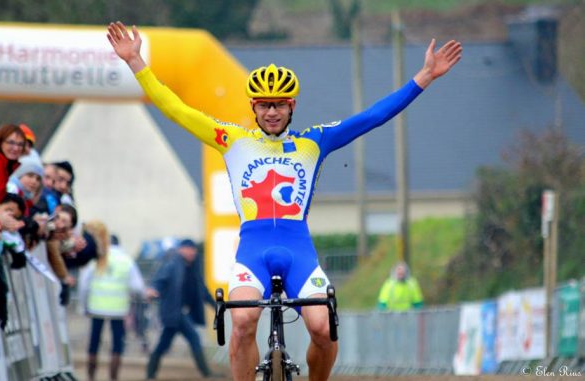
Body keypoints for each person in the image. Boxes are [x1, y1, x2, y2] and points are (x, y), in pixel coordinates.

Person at [107, 21, 461, 381]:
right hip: (253, 249)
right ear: (254, 108)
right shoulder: (232, 141)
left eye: (278, 105)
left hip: (299, 251)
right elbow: (176, 108)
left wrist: (425, 76)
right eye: (264, 106)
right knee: (243, 320)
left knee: (322, 330)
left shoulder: (315, 142)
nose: (271, 112)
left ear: (291, 106)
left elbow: (373, 116)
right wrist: (137, 62)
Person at [77, 221, 145, 381]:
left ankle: (91, 376)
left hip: (96, 308)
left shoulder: (95, 258)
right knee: (117, 343)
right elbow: (137, 286)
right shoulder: (126, 260)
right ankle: (114, 377)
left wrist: (83, 305)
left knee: (94, 341)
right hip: (118, 309)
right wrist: (140, 296)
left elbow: (83, 285)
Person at [145, 239, 218, 380]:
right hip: (174, 312)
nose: (192, 252)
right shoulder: (172, 264)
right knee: (194, 338)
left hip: (182, 313)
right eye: (189, 249)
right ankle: (206, 373)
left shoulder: (194, 267)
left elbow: (202, 290)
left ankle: (150, 373)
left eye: (193, 249)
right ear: (181, 250)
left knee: (163, 344)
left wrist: (216, 306)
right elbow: (160, 280)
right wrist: (153, 290)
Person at [0, 124, 26, 202]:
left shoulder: (6, 167)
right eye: (11, 142)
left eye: (20, 144)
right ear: (0, 142)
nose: (16, 148)